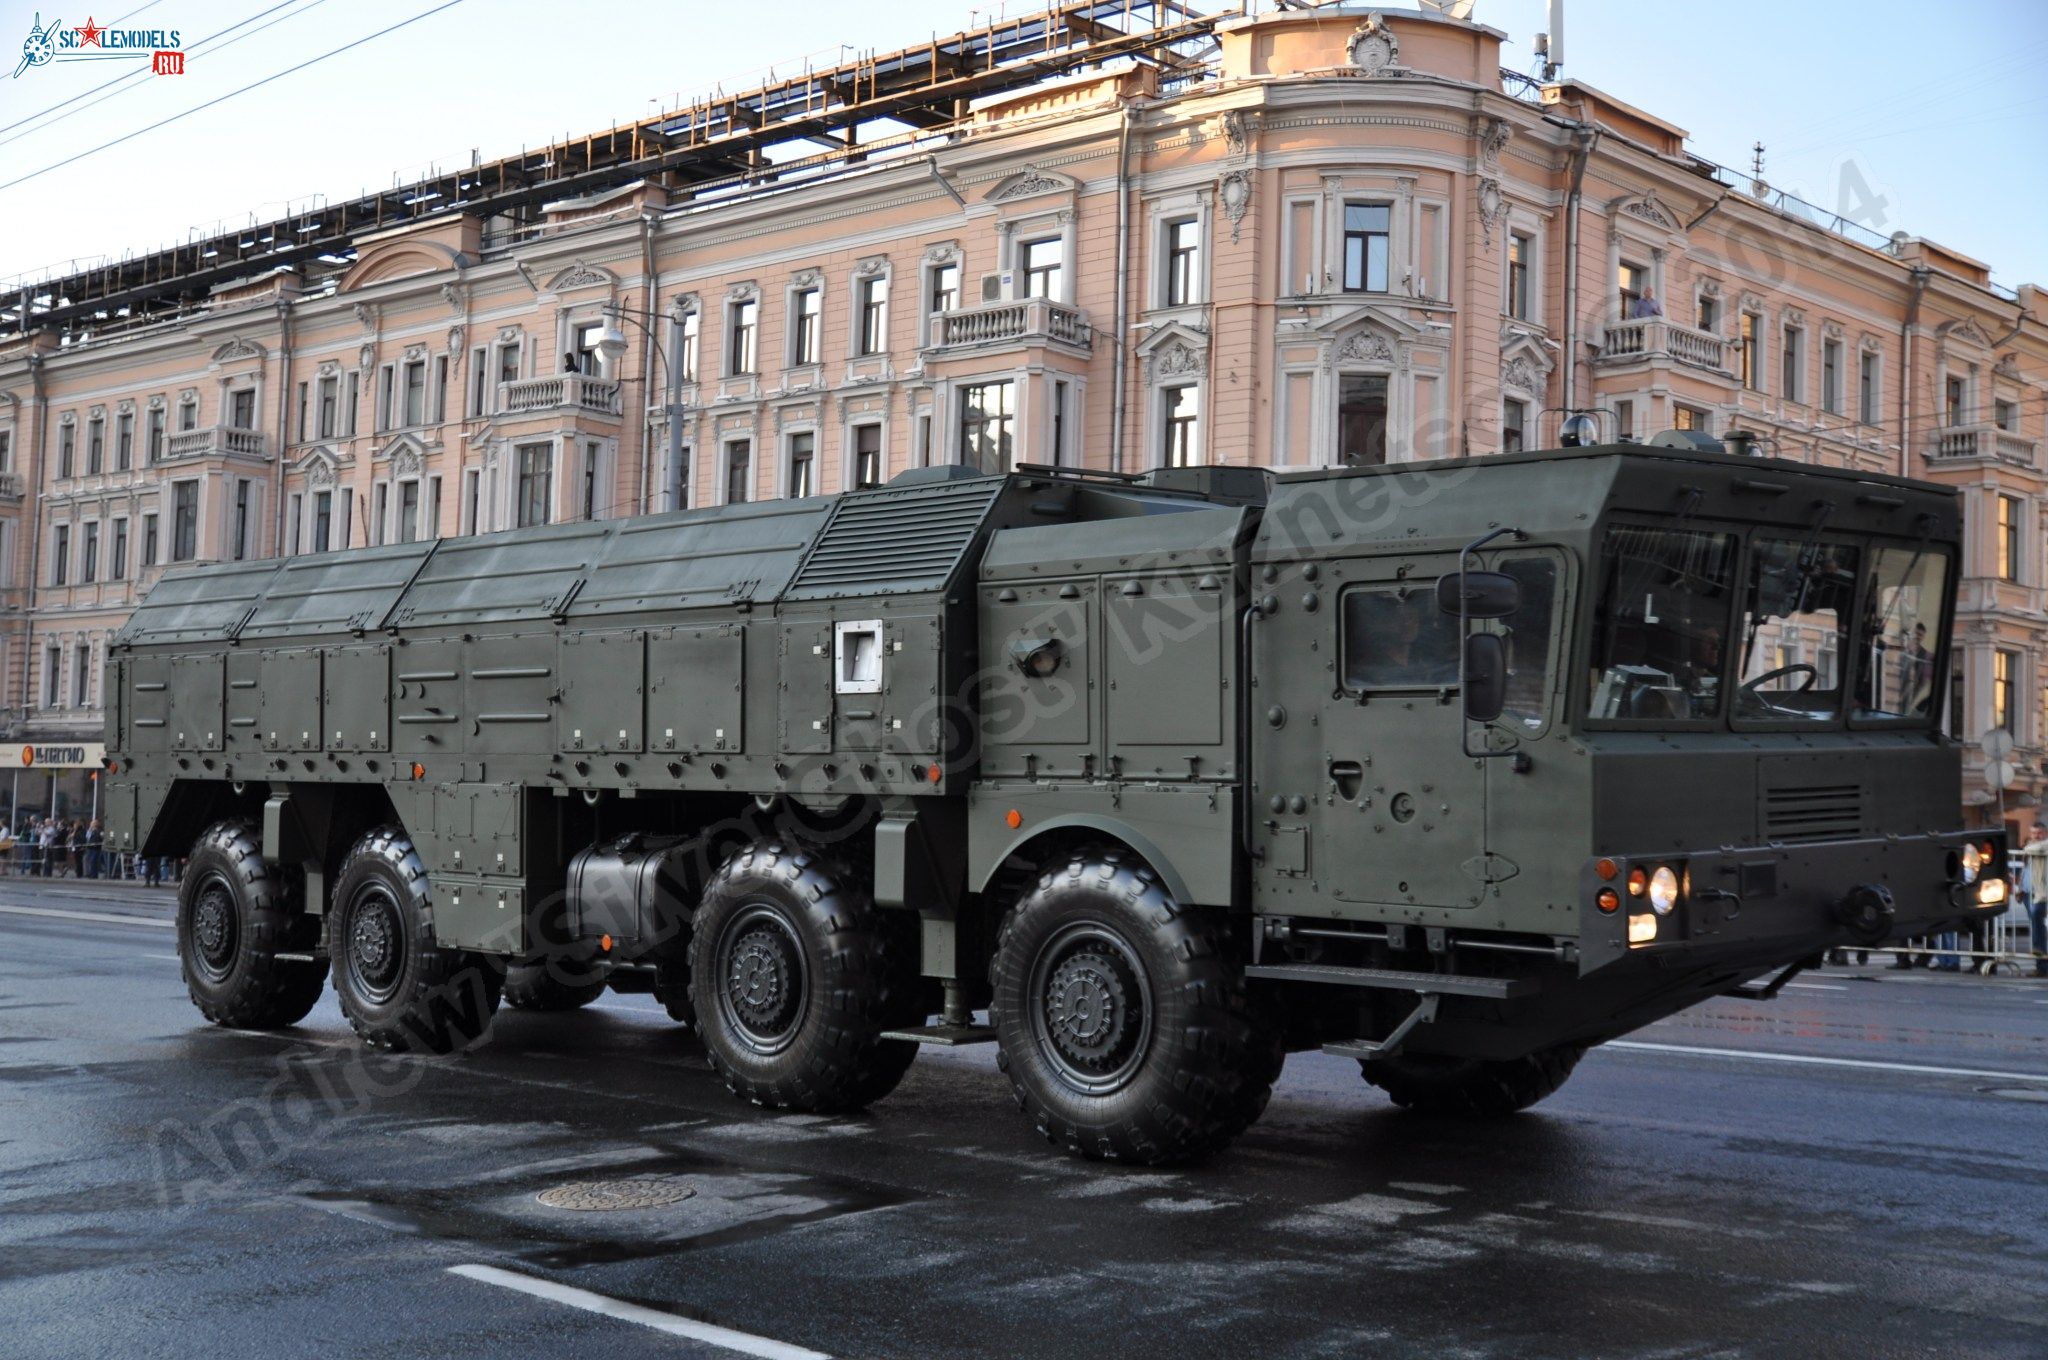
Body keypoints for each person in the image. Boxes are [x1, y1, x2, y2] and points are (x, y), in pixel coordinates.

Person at [2023, 823, 2048, 979]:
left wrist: (2027, 847)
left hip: (2043, 895)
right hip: (2032, 894)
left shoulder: (2043, 845)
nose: (2036, 836)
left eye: (2039, 833)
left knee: (2038, 926)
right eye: (2033, 833)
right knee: (2037, 929)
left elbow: (2033, 848)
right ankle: (2041, 965)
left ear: (2045, 833)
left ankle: (2042, 963)